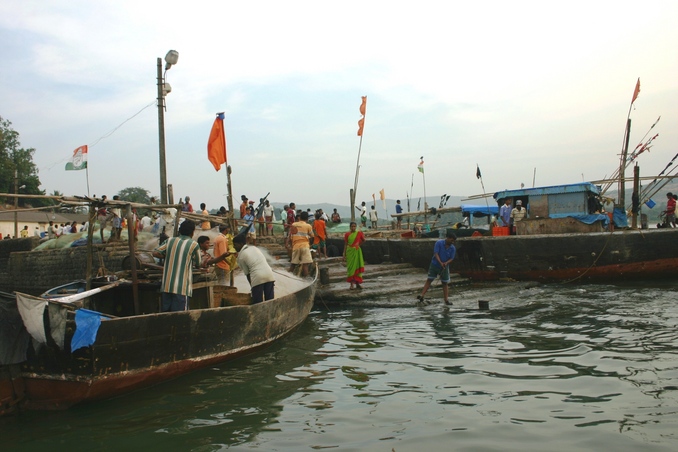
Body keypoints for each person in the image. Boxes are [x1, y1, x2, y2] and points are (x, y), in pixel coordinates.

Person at [152, 220, 201, 312]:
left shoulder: (170, 240)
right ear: (192, 232)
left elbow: (155, 252)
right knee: (181, 318)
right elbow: (198, 264)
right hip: (182, 288)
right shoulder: (194, 245)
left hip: (167, 286)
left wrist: (166, 256)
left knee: (165, 315)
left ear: (180, 230)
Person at [232, 233, 275, 303]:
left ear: (240, 244)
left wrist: (252, 287)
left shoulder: (241, 256)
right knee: (270, 301)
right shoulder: (254, 248)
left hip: (257, 277)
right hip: (269, 275)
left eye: (235, 245)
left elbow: (248, 274)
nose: (234, 247)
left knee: (258, 303)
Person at [417, 230, 456, 305]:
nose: (452, 242)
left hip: (445, 267)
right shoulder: (439, 243)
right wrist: (440, 263)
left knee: (445, 283)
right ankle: (422, 295)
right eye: (451, 240)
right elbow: (436, 253)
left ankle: (446, 300)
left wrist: (445, 263)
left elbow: (451, 258)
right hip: (435, 264)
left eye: (453, 241)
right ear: (448, 238)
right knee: (429, 279)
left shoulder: (452, 248)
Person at [286, 210, 314, 277]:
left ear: (299, 217)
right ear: (307, 219)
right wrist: (310, 244)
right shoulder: (308, 226)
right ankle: (306, 280)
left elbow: (290, 236)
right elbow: (312, 236)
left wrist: (287, 244)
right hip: (305, 246)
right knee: (305, 265)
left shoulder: (294, 224)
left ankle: (287, 277)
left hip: (296, 247)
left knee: (293, 264)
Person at [343, 221, 365, 289]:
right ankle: (351, 284)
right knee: (351, 268)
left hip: (357, 251)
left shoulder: (359, 233)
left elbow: (364, 240)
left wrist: (358, 245)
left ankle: (358, 283)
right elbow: (346, 244)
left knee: (357, 267)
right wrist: (344, 253)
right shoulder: (347, 234)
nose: (353, 228)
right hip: (350, 251)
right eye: (352, 226)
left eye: (354, 226)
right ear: (350, 227)